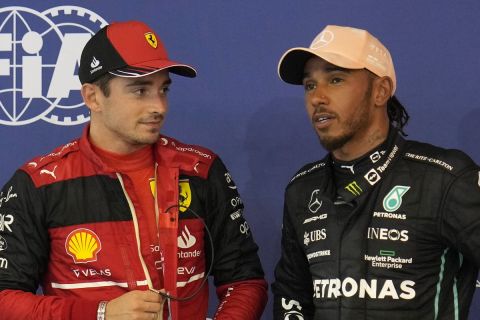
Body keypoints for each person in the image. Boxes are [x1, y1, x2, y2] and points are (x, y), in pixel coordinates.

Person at [0, 20, 267, 320]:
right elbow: (5, 299)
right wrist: (101, 313)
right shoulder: (38, 184)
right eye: (140, 90)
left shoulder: (201, 170)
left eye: (163, 89)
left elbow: (244, 281)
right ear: (92, 97)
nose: (159, 106)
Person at [272, 25, 480, 319]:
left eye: (335, 79)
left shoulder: (445, 178)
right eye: (310, 85)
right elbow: (292, 296)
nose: (317, 97)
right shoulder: (302, 189)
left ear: (380, 91)